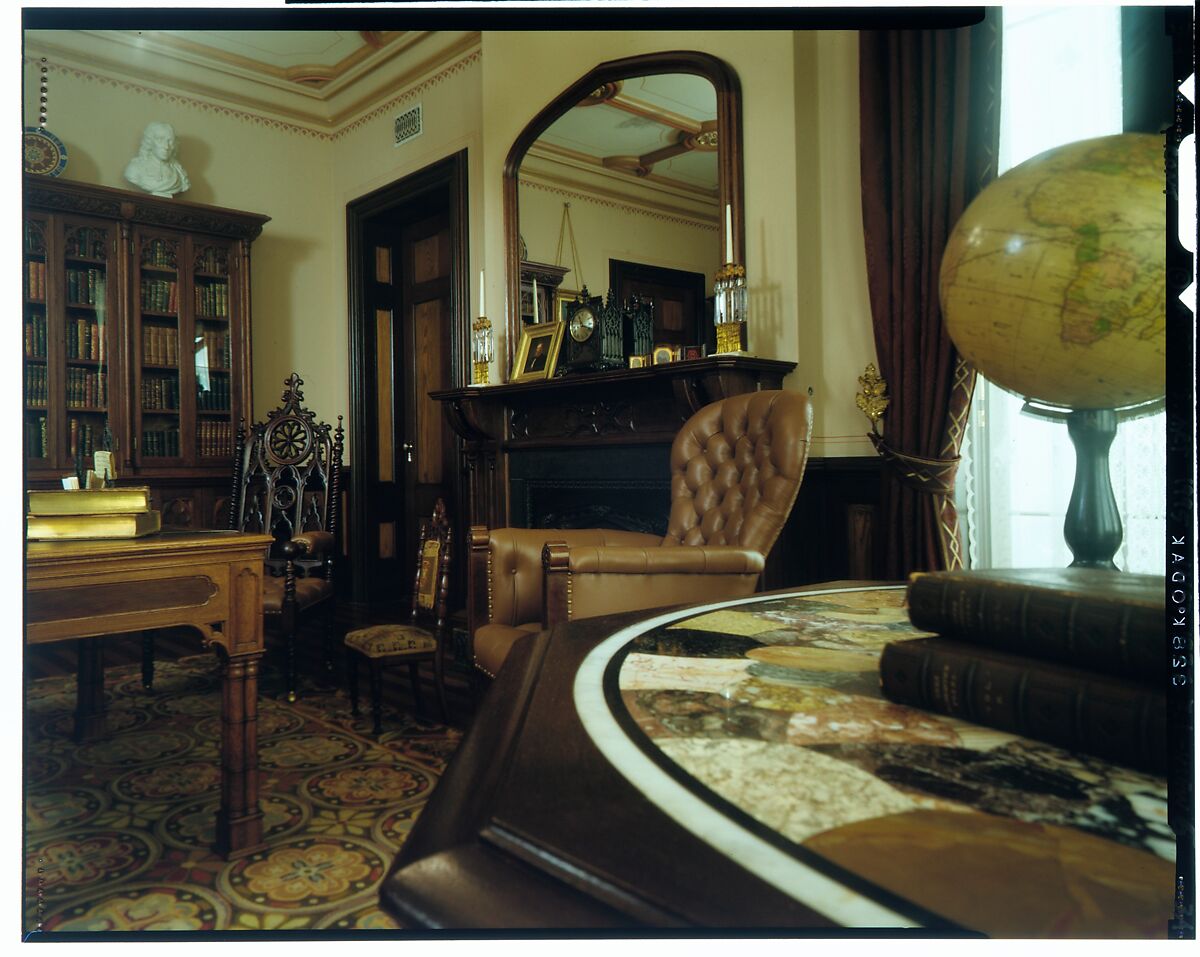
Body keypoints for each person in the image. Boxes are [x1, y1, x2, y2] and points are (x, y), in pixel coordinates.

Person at [124, 122, 190, 198]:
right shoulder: (135, 168)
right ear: (150, 142)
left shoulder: (179, 172)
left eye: (170, 141)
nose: (166, 146)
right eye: (160, 139)